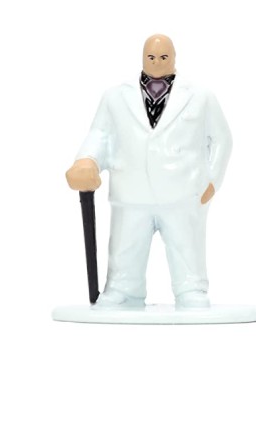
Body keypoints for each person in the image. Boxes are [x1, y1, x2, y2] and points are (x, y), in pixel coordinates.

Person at [66, 35, 232, 309]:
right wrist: (86, 161)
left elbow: (222, 139)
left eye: (163, 57)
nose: (156, 62)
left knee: (186, 247)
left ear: (174, 58)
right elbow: (100, 135)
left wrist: (213, 181)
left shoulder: (201, 97)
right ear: (142, 58)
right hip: (131, 192)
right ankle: (122, 290)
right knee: (125, 248)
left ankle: (191, 289)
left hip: (183, 192)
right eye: (151, 57)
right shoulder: (115, 97)